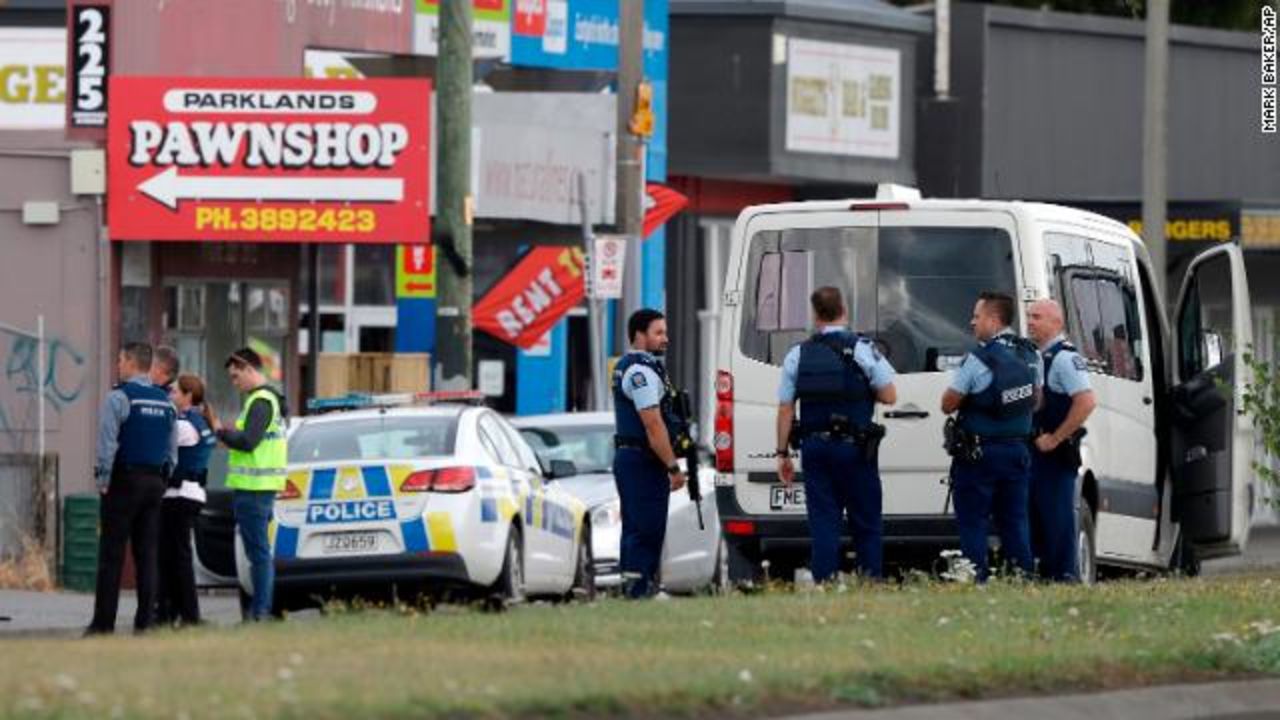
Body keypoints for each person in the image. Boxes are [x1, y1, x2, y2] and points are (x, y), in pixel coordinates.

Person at [775, 287, 897, 582]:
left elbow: (785, 409)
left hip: (815, 448)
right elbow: (890, 395)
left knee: (823, 521)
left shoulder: (797, 354)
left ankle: (824, 585)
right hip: (855, 449)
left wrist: (782, 454)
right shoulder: (863, 348)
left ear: (815, 315)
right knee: (866, 520)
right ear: (844, 310)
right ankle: (870, 583)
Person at [940, 291, 1042, 582]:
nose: (972, 323)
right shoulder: (1031, 352)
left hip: (979, 454)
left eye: (977, 316)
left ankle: (976, 580)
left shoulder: (978, 359)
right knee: (1016, 521)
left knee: (973, 521)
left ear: (994, 319)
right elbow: (1037, 400)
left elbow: (948, 404)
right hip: (1017, 452)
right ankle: (1022, 579)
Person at [86, 342, 178, 635]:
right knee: (147, 555)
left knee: (111, 555)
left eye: (120, 360)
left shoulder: (119, 397)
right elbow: (171, 451)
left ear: (130, 363)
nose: (117, 365)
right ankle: (145, 623)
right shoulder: (166, 402)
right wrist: (163, 479)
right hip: (154, 484)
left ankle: (103, 625)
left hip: (124, 481)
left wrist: (102, 479)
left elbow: (107, 443)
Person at [612, 309, 686, 599]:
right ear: (639, 336)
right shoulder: (640, 372)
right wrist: (673, 467)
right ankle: (638, 591)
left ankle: (636, 588)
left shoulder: (642, 367)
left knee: (640, 528)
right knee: (645, 530)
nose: (665, 339)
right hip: (642, 460)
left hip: (637, 459)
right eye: (658, 333)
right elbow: (653, 425)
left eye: (665, 332)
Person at [1026, 299, 1097, 582]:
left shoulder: (1066, 359)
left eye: (1037, 317)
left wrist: (1056, 438)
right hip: (1037, 455)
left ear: (1056, 322)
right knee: (1038, 519)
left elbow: (1086, 402)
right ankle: (1046, 577)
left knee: (1057, 520)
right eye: (1029, 316)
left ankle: (1066, 578)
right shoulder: (1042, 357)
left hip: (1055, 456)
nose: (1030, 321)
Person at [216, 348, 287, 621]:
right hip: (260, 488)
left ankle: (260, 613)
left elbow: (249, 442)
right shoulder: (269, 399)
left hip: (255, 489)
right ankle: (261, 610)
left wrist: (222, 432)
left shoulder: (260, 401)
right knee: (258, 553)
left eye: (236, 376)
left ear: (248, 368)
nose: (235, 382)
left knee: (258, 555)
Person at [156, 373, 218, 626]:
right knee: (176, 556)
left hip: (177, 496)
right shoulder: (200, 421)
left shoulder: (183, 425)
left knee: (174, 558)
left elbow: (159, 445)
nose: (170, 395)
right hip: (190, 494)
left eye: (173, 392)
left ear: (187, 396)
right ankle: (181, 613)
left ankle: (186, 615)